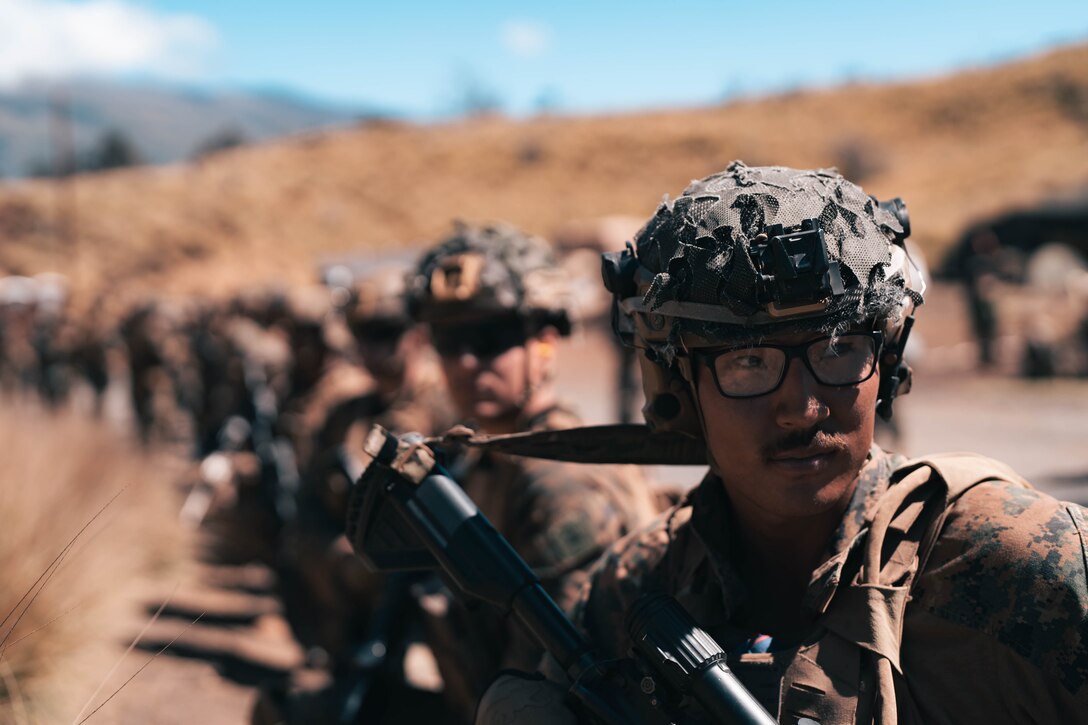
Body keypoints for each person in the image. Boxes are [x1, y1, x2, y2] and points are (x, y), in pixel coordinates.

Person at [477, 162, 1088, 724]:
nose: (801, 408)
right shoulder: (632, 591)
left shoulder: (1024, 564)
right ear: (678, 389)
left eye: (838, 349)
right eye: (748, 362)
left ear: (888, 362)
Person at [407, 222, 663, 722]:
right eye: (448, 340)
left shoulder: (560, 480)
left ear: (545, 341)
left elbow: (547, 682)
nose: (465, 362)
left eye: (490, 337)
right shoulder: (488, 455)